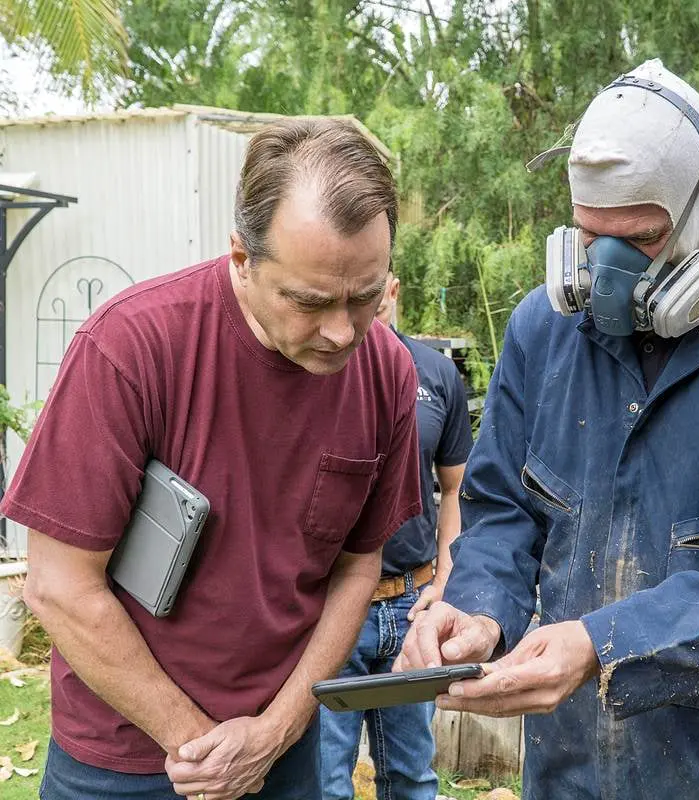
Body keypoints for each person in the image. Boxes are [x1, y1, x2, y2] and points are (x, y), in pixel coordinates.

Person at [394, 58, 699, 798]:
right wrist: (478, 611)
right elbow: (501, 513)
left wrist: (603, 644)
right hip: (570, 771)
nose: (613, 274)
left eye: (643, 239)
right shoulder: (542, 329)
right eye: (594, 240)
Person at [2, 118, 423, 800]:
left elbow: (357, 567)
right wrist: (202, 746)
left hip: (282, 751)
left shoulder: (387, 372)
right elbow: (58, 584)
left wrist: (275, 733)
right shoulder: (130, 348)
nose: (342, 331)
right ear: (241, 258)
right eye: (310, 301)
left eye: (366, 294)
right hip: (122, 761)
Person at [316, 269, 473, 799]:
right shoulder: (317, 367)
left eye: (369, 289)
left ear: (392, 288)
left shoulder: (435, 374)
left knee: (411, 777)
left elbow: (455, 490)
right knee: (328, 780)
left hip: (412, 605)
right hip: (335, 607)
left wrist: (445, 582)